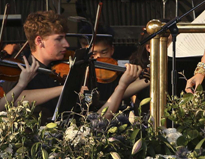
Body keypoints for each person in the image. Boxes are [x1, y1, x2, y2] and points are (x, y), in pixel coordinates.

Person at [7, 11, 142, 122]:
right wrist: (67, 88)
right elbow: (16, 98)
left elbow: (103, 101)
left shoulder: (69, 67)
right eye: (59, 39)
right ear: (39, 41)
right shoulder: (20, 69)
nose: (66, 44)